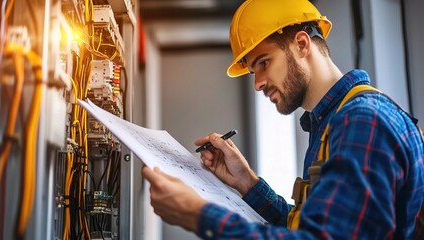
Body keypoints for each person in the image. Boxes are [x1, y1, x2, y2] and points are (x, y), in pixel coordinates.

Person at [141, 0, 424, 239]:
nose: (258, 84)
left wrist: (198, 215)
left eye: (264, 62)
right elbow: (315, 226)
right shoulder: (330, 124)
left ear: (301, 44)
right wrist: (248, 184)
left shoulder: (364, 122)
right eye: (254, 71)